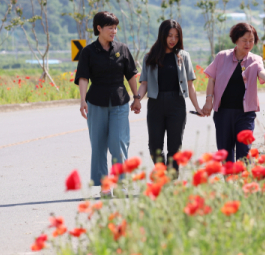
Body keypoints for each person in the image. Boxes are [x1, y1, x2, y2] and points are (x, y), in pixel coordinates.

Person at [74, 11, 139, 196]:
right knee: (99, 144)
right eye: (110, 27)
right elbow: (83, 78)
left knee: (118, 143)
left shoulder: (123, 49)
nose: (114, 31)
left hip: (119, 102)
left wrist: (136, 98)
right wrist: (82, 100)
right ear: (99, 28)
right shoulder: (87, 52)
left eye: (116, 27)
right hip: (96, 102)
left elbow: (131, 75)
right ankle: (104, 185)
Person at [202, 22, 265, 162]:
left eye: (251, 40)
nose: (248, 44)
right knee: (225, 154)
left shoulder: (255, 59)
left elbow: (262, 72)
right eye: (244, 40)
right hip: (223, 113)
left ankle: (243, 182)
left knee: (244, 154)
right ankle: (229, 183)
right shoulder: (222, 57)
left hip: (245, 114)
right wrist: (208, 101)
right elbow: (212, 79)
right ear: (236, 40)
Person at [132, 19, 203, 177]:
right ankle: (161, 173)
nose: (173, 39)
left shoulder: (183, 56)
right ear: (162, 35)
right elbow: (144, 84)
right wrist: (137, 98)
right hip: (155, 104)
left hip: (177, 104)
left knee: (174, 146)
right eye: (169, 35)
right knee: (154, 145)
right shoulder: (149, 57)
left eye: (176, 36)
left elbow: (190, 86)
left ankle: (171, 179)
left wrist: (197, 107)